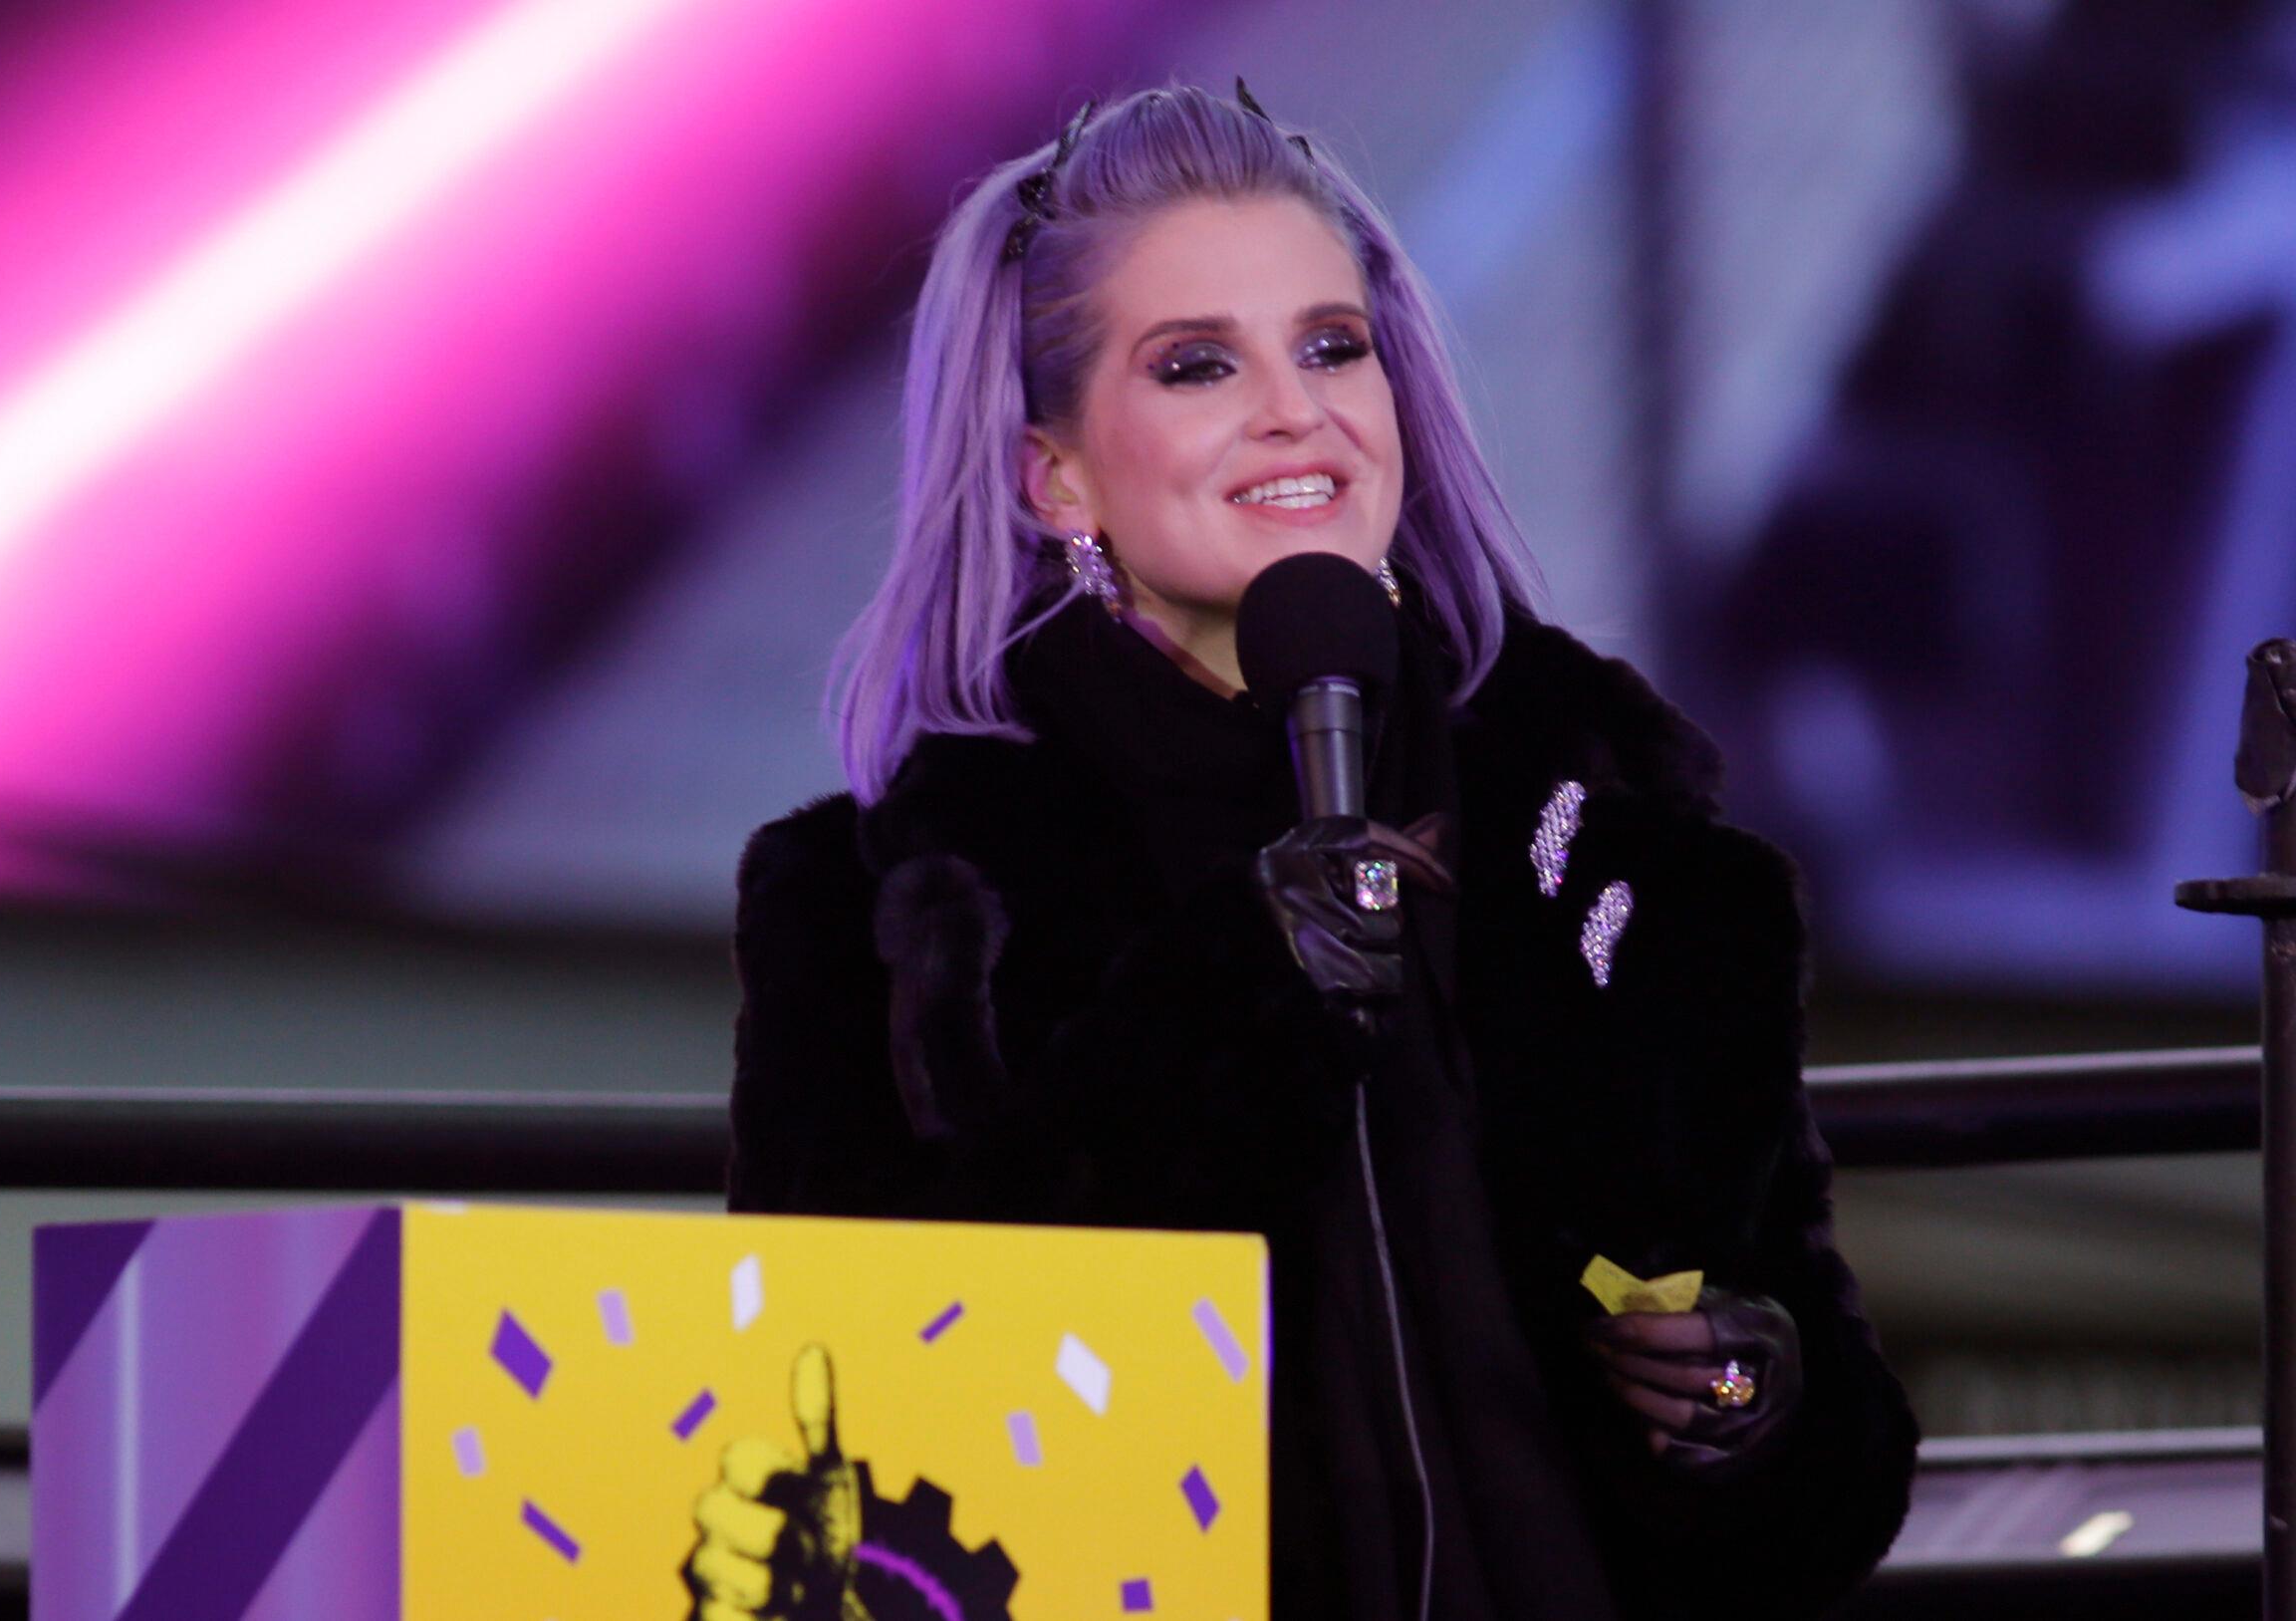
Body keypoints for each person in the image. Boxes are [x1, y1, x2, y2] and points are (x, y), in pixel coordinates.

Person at [695, 82, 1917, 1620]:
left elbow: (1830, 1465)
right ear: (1053, 476)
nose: (1296, 410)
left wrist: (1750, 1408)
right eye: (1198, 364)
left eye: (1333, 347)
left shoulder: (1614, 841)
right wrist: (1233, 1002)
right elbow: (863, 1455)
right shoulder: (893, 913)